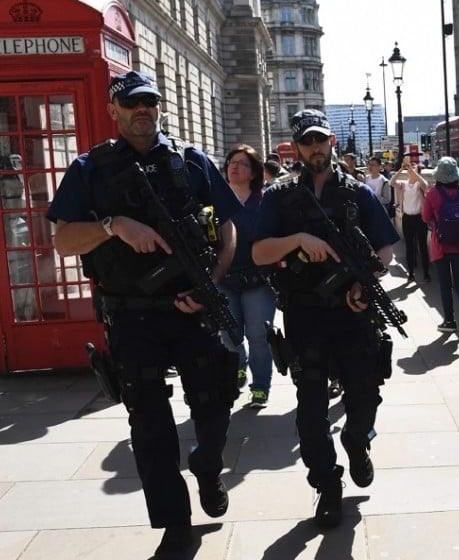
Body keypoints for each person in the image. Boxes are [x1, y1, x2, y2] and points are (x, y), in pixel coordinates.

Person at [46, 71, 241, 559]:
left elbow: (230, 224)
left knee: (216, 401)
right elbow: (64, 239)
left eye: (151, 103)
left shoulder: (190, 161)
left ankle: (208, 465)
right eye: (133, 104)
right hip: (132, 315)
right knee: (150, 426)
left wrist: (213, 280)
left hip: (193, 306)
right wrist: (114, 226)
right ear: (114, 110)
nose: (144, 111)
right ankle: (175, 523)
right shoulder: (91, 168)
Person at [252, 109, 399, 529]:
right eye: (306, 142)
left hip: (353, 314)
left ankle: (356, 440)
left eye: (321, 140)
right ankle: (327, 485)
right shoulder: (279, 196)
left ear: (331, 142)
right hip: (304, 314)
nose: (315, 148)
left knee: (365, 395)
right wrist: (297, 239)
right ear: (296, 147)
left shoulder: (357, 192)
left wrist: (362, 283)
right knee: (311, 410)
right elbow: (259, 252)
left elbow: (385, 249)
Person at [220, 144, 277, 408]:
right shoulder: (216, 200)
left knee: (258, 335)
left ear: (254, 172)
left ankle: (260, 386)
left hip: (258, 279)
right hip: (224, 279)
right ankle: (238, 366)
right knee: (229, 335)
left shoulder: (266, 202)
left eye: (242, 163)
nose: (234, 166)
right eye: (232, 161)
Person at [421, 156, 459, 335]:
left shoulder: (433, 194)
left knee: (445, 285)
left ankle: (450, 321)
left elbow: (425, 218)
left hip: (441, 246)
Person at [393, 160, 431, 283]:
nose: (410, 171)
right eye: (409, 170)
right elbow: (391, 182)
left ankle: (426, 274)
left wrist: (415, 172)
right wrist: (400, 170)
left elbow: (425, 184)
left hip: (419, 218)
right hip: (407, 218)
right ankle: (410, 274)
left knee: (422, 247)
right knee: (409, 247)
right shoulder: (404, 184)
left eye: (414, 169)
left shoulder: (419, 185)